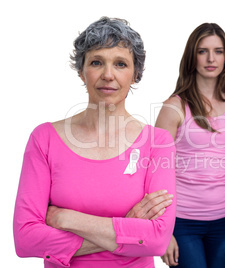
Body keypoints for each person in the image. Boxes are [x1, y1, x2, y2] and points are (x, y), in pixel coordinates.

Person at [13, 17, 176, 268]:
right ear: (81, 71)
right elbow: (26, 239)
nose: (108, 75)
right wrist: (128, 226)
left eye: (120, 64)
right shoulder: (44, 139)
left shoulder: (157, 142)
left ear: (135, 75)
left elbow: (157, 240)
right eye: (97, 62)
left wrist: (67, 218)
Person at [155, 23, 225, 268]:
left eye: (219, 51)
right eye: (203, 51)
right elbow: (155, 170)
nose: (211, 58)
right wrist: (163, 230)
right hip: (182, 222)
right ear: (192, 56)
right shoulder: (175, 106)